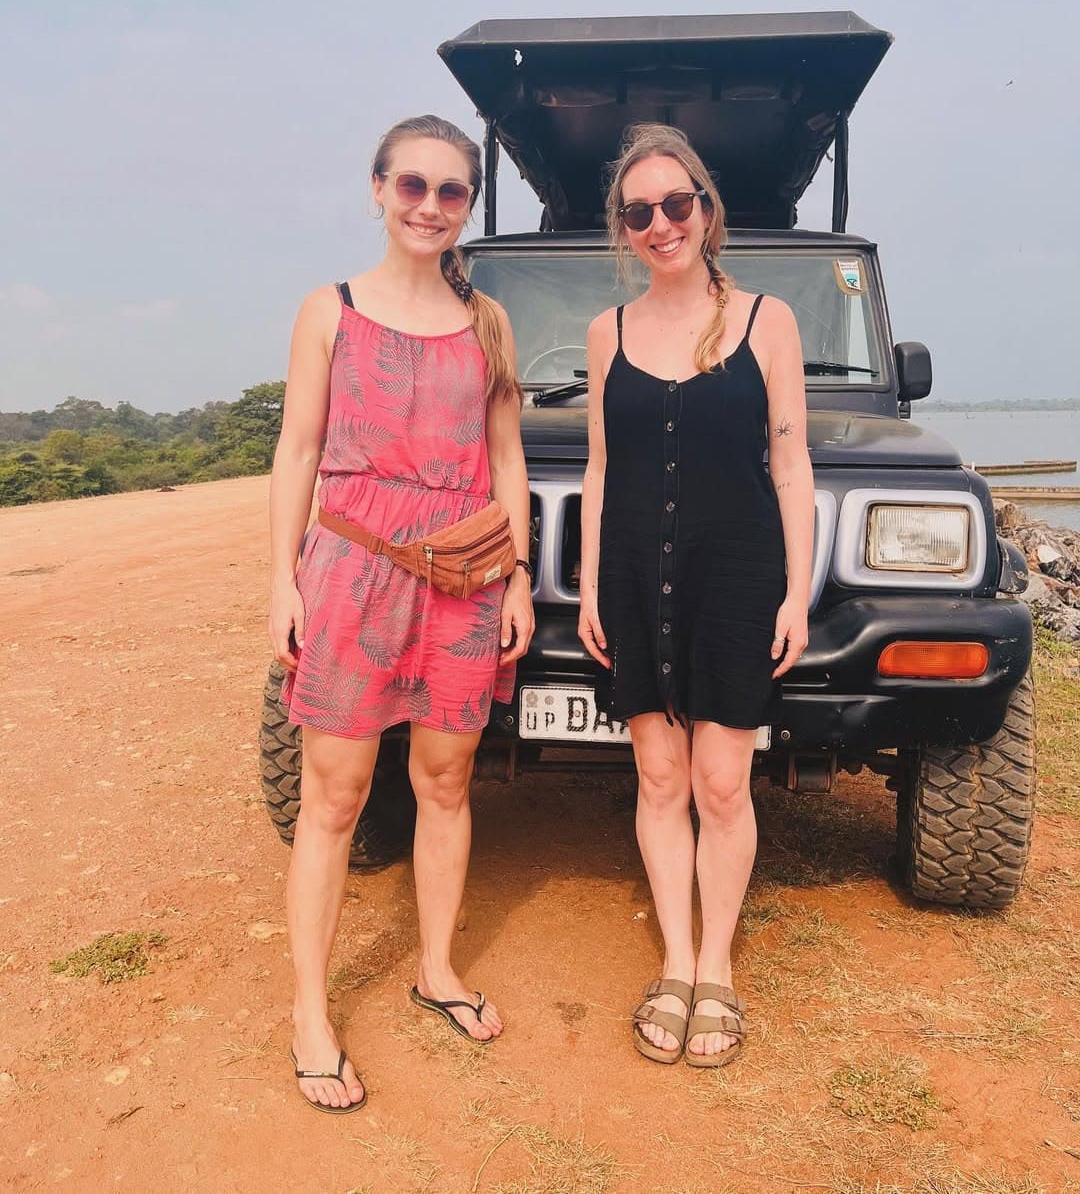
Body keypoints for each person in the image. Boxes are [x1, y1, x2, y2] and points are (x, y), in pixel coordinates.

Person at [268, 115, 534, 1113]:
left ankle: (437, 967)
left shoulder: (489, 324)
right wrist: (282, 578)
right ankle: (309, 1012)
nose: (430, 205)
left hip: (463, 578)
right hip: (352, 570)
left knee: (447, 779)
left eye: (451, 190)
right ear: (378, 191)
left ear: (469, 206)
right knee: (332, 799)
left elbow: (505, 460)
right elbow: (298, 451)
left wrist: (515, 577)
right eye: (412, 185)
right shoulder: (328, 311)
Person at [578, 123, 813, 1067]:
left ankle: (716, 966)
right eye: (640, 212)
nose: (661, 223)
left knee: (721, 781)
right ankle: (674, 962)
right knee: (659, 778)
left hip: (737, 573)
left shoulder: (767, 320)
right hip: (637, 570)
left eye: (678, 204)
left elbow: (790, 463)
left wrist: (798, 591)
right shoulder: (609, 332)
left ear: (706, 210)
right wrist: (594, 582)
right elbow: (600, 467)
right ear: (624, 230)